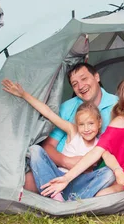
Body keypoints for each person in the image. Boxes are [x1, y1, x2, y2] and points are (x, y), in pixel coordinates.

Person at [2, 79, 124, 200]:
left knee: (109, 173)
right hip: (58, 177)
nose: (86, 129)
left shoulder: (100, 144)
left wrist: (118, 171)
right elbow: (49, 113)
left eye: (91, 123)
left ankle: (76, 200)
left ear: (99, 123)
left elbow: (110, 158)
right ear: (77, 124)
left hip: (79, 183)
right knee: (35, 150)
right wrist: (23, 94)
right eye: (82, 124)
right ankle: (56, 196)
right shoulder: (73, 131)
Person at [20, 62, 118, 193]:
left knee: (110, 174)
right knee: (27, 182)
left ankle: (70, 199)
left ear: (97, 77)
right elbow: (48, 139)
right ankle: (59, 197)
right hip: (58, 170)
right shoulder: (68, 111)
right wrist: (66, 161)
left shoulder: (117, 106)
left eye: (84, 79)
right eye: (75, 84)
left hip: (88, 175)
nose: (81, 86)